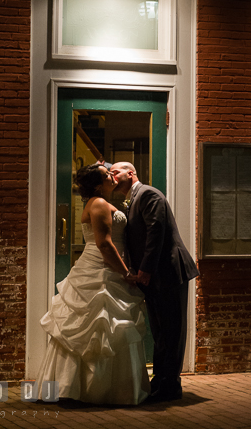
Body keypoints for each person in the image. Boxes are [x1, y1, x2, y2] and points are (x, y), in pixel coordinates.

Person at [35, 163, 150, 404]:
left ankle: (105, 388)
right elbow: (104, 244)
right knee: (100, 325)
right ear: (99, 185)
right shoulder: (97, 204)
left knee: (111, 327)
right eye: (107, 174)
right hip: (100, 268)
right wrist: (126, 272)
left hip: (109, 266)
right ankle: (87, 389)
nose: (112, 175)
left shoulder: (103, 202)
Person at [111, 162, 199, 403]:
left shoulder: (149, 194)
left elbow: (155, 232)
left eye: (115, 172)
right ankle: (160, 380)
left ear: (131, 174)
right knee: (160, 331)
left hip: (169, 271)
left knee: (172, 331)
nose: (112, 176)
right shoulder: (132, 198)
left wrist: (145, 270)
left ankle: (171, 385)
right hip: (154, 275)